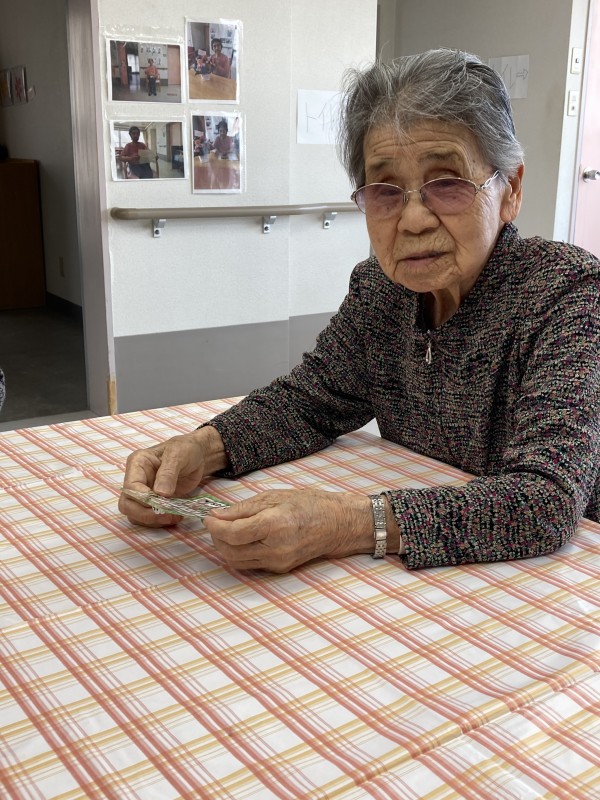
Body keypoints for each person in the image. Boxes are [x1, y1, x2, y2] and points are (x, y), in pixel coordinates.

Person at [120, 48, 600, 574]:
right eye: (385, 190)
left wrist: (348, 523)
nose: (413, 220)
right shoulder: (381, 290)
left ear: (511, 191)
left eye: (447, 183)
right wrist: (204, 448)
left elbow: (545, 499)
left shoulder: (567, 293)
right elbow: (309, 402)